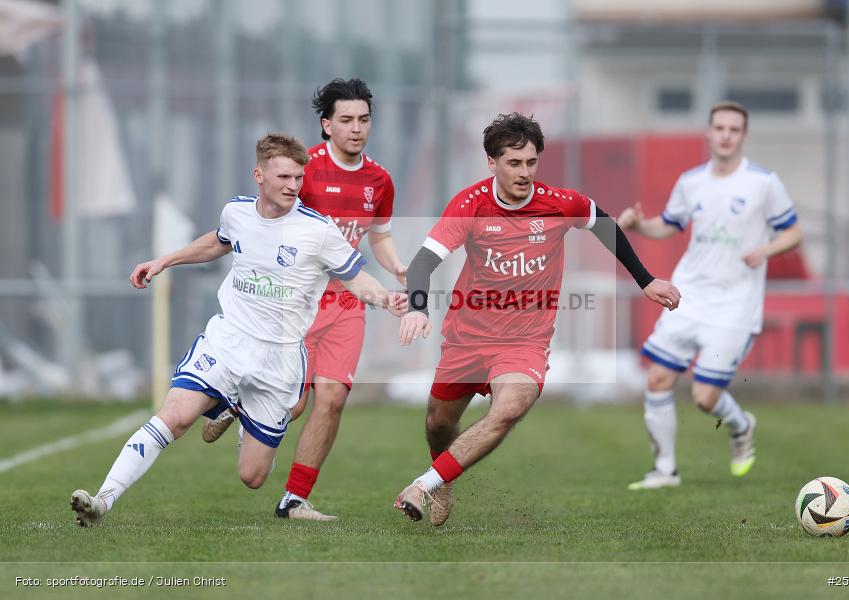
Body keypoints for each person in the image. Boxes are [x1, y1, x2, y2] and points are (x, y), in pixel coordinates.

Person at [70, 133, 406, 527]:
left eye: (298, 178)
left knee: (253, 476)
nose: (293, 186)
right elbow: (218, 242)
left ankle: (238, 407)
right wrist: (164, 261)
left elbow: (355, 277)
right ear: (259, 175)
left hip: (280, 359)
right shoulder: (237, 212)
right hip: (229, 340)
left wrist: (387, 299)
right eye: (284, 177)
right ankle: (103, 500)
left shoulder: (318, 230)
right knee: (176, 416)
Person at [393, 113, 681, 526]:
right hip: (467, 337)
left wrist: (646, 280)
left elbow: (605, 226)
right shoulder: (471, 204)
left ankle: (425, 484)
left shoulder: (560, 203)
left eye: (531, 162)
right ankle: (444, 480)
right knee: (438, 423)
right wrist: (418, 307)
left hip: (524, 342)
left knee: (509, 409)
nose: (525, 172)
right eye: (514, 163)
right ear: (492, 162)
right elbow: (423, 261)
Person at [201, 79, 406, 522]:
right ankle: (237, 402)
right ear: (327, 124)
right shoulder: (303, 170)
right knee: (293, 405)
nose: (357, 128)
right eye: (346, 120)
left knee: (332, 398)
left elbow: (379, 236)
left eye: (364, 119)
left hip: (348, 302)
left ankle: (294, 499)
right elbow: (265, 222)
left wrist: (397, 268)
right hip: (297, 302)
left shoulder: (379, 180)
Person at [617, 101, 803, 490]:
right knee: (658, 378)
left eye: (734, 129)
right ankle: (665, 471)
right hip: (690, 297)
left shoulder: (763, 183)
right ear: (709, 131)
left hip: (734, 306)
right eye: (720, 128)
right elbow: (669, 225)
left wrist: (765, 250)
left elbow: (793, 232)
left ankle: (741, 425)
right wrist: (638, 225)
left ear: (743, 135)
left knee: (704, 397)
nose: (726, 135)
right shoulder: (691, 182)